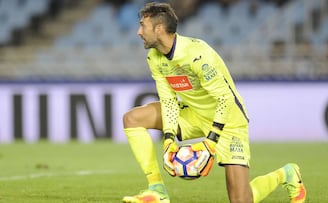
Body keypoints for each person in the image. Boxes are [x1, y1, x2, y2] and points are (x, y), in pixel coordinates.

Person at [122, 2, 307, 203]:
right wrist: (168, 140)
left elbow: (224, 99)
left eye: (143, 26)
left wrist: (210, 141)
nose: (139, 32)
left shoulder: (197, 54)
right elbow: (168, 101)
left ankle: (286, 174)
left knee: (241, 200)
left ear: (158, 29)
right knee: (133, 119)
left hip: (228, 121)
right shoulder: (154, 57)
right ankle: (157, 190)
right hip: (193, 114)